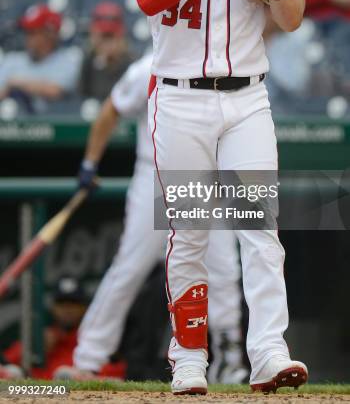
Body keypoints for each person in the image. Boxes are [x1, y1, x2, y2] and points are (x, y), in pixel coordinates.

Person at [131, 0, 308, 395]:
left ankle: (269, 352)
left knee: (260, 230)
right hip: (180, 100)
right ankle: (188, 357)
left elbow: (292, 18)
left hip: (247, 100)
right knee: (190, 234)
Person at [55, 52, 248, 384]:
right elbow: (112, 108)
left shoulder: (224, 62)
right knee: (131, 266)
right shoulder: (151, 64)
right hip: (158, 174)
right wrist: (90, 162)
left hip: (208, 178)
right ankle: (88, 359)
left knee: (224, 270)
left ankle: (229, 363)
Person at [0, 277, 124, 379]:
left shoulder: (94, 340)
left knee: (64, 375)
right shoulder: (42, 339)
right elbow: (6, 363)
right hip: (36, 397)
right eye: (62, 304)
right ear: (53, 308)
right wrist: (33, 347)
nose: (67, 310)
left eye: (73, 303)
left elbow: (119, 373)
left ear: (84, 308)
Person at [0, 4, 82, 112]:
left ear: (50, 34)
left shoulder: (69, 60)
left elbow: (55, 91)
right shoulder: (12, 60)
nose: (27, 38)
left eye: (33, 33)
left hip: (57, 124)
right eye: (26, 32)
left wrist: (16, 83)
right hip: (13, 127)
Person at [79, 2, 134, 101]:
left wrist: (112, 63)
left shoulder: (132, 63)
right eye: (104, 37)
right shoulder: (88, 61)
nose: (107, 44)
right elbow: (81, 98)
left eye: (111, 37)